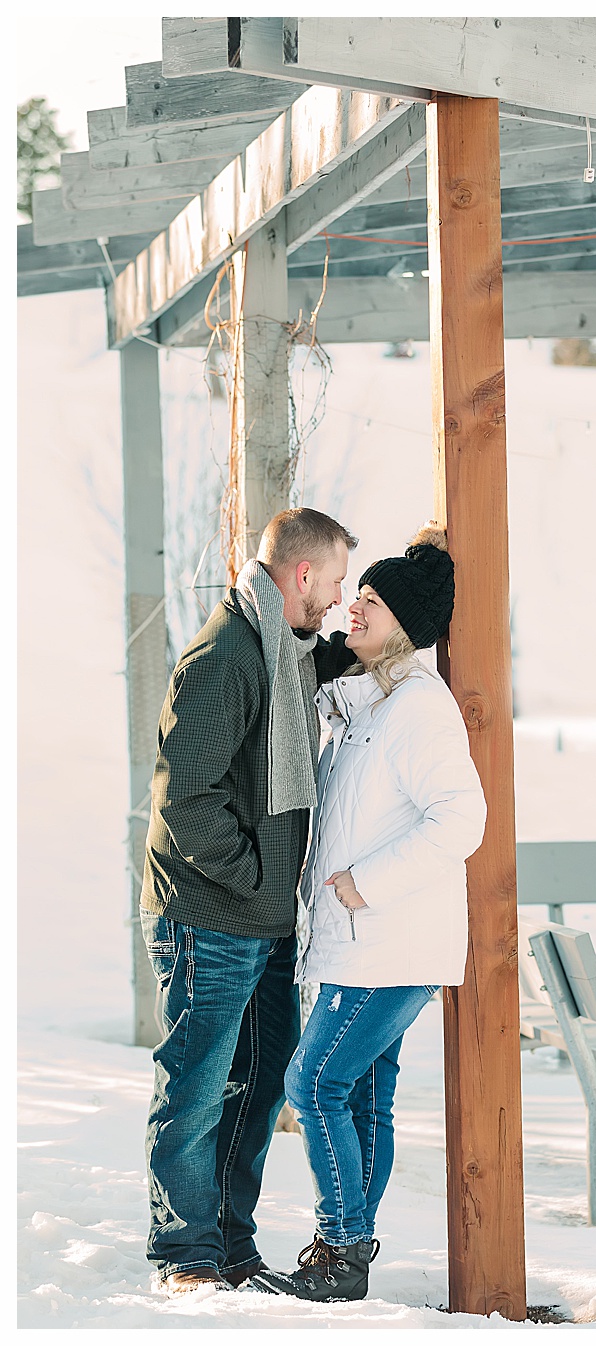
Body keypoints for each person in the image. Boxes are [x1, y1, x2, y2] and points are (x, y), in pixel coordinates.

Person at [249, 525, 486, 1304]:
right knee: (360, 1097)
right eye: (360, 596)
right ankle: (348, 1250)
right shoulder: (365, 704)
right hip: (362, 943)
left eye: (373, 603)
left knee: (312, 1083)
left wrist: (365, 882)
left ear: (407, 627)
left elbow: (461, 819)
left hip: (391, 942)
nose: (354, 609)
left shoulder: (419, 708)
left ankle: (343, 1247)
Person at [140, 507, 360, 1292]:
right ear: (300, 575)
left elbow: (331, 656)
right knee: (198, 1087)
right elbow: (184, 800)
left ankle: (231, 1247)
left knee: (261, 1086)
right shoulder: (226, 657)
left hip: (262, 919)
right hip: (209, 914)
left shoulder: (283, 646)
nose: (336, 604)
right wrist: (260, 877)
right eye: (334, 585)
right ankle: (186, 1255)